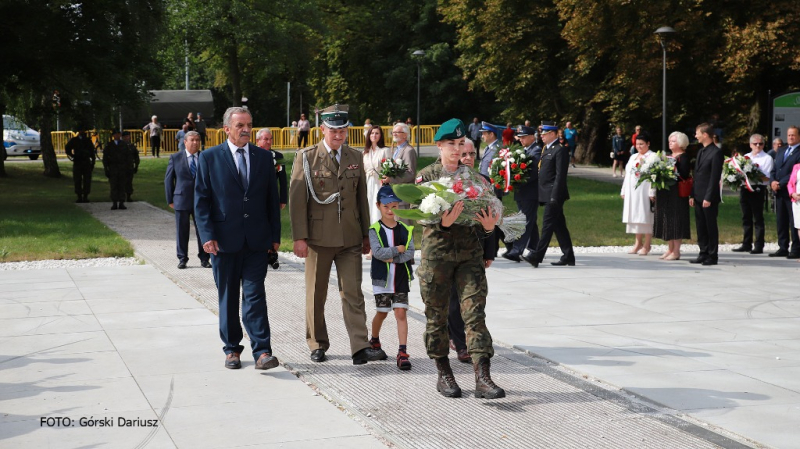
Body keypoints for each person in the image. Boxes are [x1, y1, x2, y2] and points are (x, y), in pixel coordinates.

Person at [289, 104, 386, 365]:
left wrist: (366, 234)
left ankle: (359, 346)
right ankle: (317, 343)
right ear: (323, 130)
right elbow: (298, 201)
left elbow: (362, 200)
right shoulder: (307, 157)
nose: (338, 135)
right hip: (318, 239)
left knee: (353, 293)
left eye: (342, 130)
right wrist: (299, 237)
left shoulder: (354, 156)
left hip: (350, 238)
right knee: (316, 293)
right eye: (333, 130)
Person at [416, 118, 504, 399]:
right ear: (439, 146)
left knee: (475, 315)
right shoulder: (426, 176)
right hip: (437, 256)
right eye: (450, 144)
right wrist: (441, 222)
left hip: (469, 255)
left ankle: (483, 377)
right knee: (437, 316)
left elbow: (486, 217)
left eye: (460, 143)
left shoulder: (477, 180)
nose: (456, 149)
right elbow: (416, 213)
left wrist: (490, 229)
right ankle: (444, 374)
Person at [194, 107, 282, 371]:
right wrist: (207, 236)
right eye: (240, 125)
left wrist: (274, 237)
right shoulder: (209, 158)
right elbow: (201, 201)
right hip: (223, 242)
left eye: (249, 124)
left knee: (255, 296)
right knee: (229, 297)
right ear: (227, 129)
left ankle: (262, 351)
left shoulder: (263, 158)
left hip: (256, 241)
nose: (246, 129)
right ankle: (232, 349)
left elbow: (271, 200)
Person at [448, 139, 495, 364]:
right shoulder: (445, 181)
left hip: (475, 250)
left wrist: (490, 251)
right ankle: (459, 343)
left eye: (471, 154)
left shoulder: (483, 182)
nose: (467, 158)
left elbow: (493, 218)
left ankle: (468, 341)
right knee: (453, 302)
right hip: (448, 251)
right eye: (463, 154)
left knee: (473, 300)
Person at [368, 185, 415, 371]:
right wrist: (397, 250)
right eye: (386, 206)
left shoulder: (405, 229)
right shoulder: (374, 230)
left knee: (401, 313)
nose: (390, 210)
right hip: (383, 280)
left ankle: (402, 352)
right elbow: (378, 252)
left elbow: (409, 253)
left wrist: (391, 256)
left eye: (394, 206)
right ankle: (374, 339)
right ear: (379, 205)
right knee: (382, 312)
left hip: (401, 278)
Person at [529, 121, 575, 267]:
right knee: (558, 225)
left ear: (553, 134)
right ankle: (568, 256)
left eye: (545, 133)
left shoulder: (559, 150)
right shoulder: (546, 149)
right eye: (541, 133)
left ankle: (537, 256)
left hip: (554, 194)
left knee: (547, 225)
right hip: (546, 193)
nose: (541, 136)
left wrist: (555, 196)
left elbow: (560, 176)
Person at [165, 131, 211, 270]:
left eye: (198, 140)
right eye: (192, 140)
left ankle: (204, 258)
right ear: (185, 142)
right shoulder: (176, 157)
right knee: (182, 231)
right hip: (182, 200)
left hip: (201, 201)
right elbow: (168, 180)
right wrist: (170, 199)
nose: (195, 142)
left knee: (203, 231)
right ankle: (182, 258)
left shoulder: (205, 157)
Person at [502, 125, 541, 263]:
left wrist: (516, 180)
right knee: (530, 221)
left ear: (532, 137)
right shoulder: (524, 150)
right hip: (522, 192)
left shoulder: (536, 151)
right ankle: (535, 248)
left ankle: (516, 250)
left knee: (525, 221)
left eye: (524, 137)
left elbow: (532, 174)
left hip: (530, 192)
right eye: (520, 137)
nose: (521, 140)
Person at [732, 134, 773, 254]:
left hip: (758, 189)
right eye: (755, 143)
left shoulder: (767, 158)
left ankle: (759, 245)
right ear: (750, 145)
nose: (758, 146)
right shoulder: (746, 157)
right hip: (745, 189)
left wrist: (753, 173)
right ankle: (746, 243)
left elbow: (766, 178)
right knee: (746, 217)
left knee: (758, 218)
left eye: (761, 143)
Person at [690, 123, 725, 266]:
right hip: (698, 195)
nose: (695, 136)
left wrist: (708, 197)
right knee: (700, 226)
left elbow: (714, 177)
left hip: (708, 197)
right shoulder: (701, 152)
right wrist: (692, 194)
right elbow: (696, 175)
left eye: (697, 133)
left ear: (705, 135)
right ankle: (703, 252)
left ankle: (712, 255)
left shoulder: (716, 153)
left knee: (710, 226)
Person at [654, 132, 691, 260]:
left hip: (677, 194)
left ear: (681, 143)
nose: (670, 143)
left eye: (673, 141)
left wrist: (672, 169)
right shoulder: (667, 156)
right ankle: (669, 249)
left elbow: (684, 175)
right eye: (669, 141)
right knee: (667, 220)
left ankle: (676, 251)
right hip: (665, 192)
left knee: (676, 221)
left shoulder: (684, 157)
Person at [621, 132, 656, 255]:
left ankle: (647, 244)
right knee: (635, 216)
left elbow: (654, 176)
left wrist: (652, 192)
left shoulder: (652, 157)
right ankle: (637, 243)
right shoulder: (633, 157)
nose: (639, 146)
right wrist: (624, 190)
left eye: (642, 144)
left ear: (648, 144)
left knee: (645, 216)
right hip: (632, 192)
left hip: (644, 191)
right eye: (637, 144)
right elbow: (628, 174)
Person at [769, 126, 800, 259]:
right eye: (789, 135)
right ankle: (783, 247)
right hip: (779, 191)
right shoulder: (781, 150)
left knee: (794, 221)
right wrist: (772, 181)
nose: (790, 137)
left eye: (793, 135)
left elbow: (795, 172)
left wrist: (780, 183)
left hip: (791, 191)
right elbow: (774, 168)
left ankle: (796, 248)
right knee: (781, 220)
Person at [383, 122, 418, 223]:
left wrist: (391, 179)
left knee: (404, 229)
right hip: (394, 196)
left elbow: (410, 173)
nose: (394, 134)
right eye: (393, 132)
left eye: (398, 132)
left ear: (405, 135)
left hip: (403, 197)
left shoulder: (408, 150)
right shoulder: (395, 149)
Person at [363, 125, 391, 224]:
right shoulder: (365, 152)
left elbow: (389, 169)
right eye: (372, 133)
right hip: (367, 182)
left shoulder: (385, 150)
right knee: (368, 206)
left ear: (380, 136)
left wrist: (387, 178)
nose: (374, 135)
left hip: (379, 183)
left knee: (377, 207)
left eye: (377, 133)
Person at [255, 128, 288, 209]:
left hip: (272, 196)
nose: (269, 142)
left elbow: (283, 179)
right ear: (257, 140)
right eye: (266, 139)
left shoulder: (278, 156)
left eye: (271, 139)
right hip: (254, 196)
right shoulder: (251, 155)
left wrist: (283, 199)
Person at [102, 129, 132, 211]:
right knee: (114, 185)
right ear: (113, 136)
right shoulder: (109, 145)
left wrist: (129, 168)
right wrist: (106, 168)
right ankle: (114, 202)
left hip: (122, 168)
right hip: (113, 168)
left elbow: (128, 157)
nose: (117, 136)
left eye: (118, 134)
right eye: (115, 134)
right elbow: (105, 158)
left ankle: (121, 202)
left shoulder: (124, 145)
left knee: (122, 185)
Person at [65, 129, 95, 203]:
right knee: (77, 180)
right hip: (78, 161)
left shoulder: (88, 140)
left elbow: (92, 152)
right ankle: (79, 196)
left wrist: (92, 162)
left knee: (87, 180)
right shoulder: (74, 140)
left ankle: (85, 196)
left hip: (86, 162)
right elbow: (67, 148)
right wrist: (72, 156)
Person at [121, 131, 140, 202]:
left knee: (129, 182)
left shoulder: (131, 146)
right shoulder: (120, 145)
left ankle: (128, 196)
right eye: (125, 137)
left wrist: (136, 166)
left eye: (128, 136)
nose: (127, 138)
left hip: (129, 167)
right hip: (121, 167)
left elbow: (136, 157)